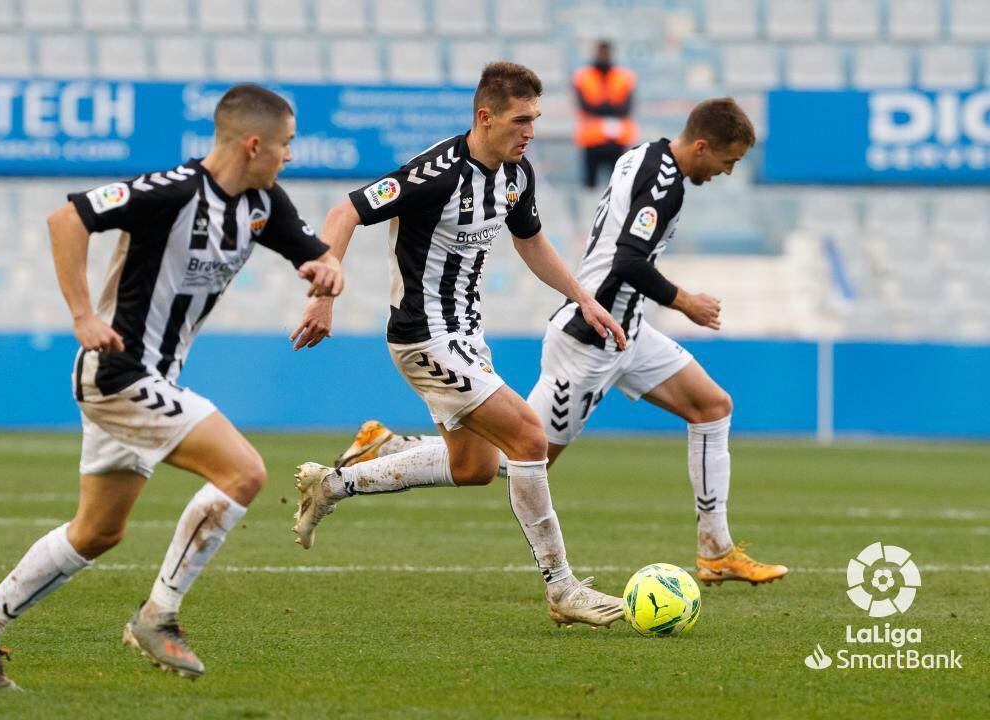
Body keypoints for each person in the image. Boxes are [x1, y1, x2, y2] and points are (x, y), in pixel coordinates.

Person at [0, 83, 343, 689]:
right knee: (245, 472)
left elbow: (311, 252)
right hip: (118, 374)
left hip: (151, 377)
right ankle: (159, 616)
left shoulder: (262, 203)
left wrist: (324, 269)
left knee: (98, 531)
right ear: (253, 143)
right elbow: (66, 217)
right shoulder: (169, 192)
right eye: (285, 144)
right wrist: (82, 314)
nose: (290, 155)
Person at [338, 98, 789, 588]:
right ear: (702, 146)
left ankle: (716, 550)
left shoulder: (641, 156)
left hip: (628, 330)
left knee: (712, 407)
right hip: (589, 340)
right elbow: (628, 262)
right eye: (729, 161)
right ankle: (391, 448)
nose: (727, 171)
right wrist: (685, 301)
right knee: (520, 458)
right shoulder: (663, 188)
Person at [288, 62, 629, 628]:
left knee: (473, 467)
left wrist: (583, 299)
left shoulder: (517, 176)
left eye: (536, 119)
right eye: (521, 120)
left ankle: (335, 482)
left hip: (467, 337)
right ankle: (562, 589)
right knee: (529, 437)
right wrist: (323, 292)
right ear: (485, 116)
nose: (530, 131)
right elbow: (343, 211)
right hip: (423, 336)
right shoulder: (435, 171)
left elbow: (532, 242)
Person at [573, 40, 638, 188]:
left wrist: (600, 108)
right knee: (590, 185)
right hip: (592, 139)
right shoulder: (583, 77)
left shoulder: (624, 77)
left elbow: (626, 109)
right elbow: (584, 106)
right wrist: (611, 108)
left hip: (617, 139)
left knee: (618, 185)